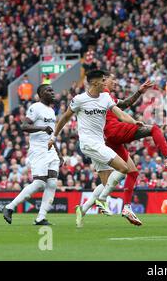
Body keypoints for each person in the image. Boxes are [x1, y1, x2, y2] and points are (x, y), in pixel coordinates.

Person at [87, 73, 167, 225]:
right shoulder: (103, 93)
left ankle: (126, 207)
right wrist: (133, 121)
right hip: (114, 130)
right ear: (102, 81)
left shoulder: (105, 98)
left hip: (109, 139)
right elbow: (121, 111)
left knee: (132, 172)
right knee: (154, 129)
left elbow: (125, 104)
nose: (114, 81)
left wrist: (140, 92)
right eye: (111, 79)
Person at [48, 70, 141, 228]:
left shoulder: (105, 97)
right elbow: (64, 118)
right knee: (125, 168)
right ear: (95, 83)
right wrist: (53, 137)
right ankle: (103, 199)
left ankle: (82, 209)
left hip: (100, 144)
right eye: (103, 80)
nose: (106, 83)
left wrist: (135, 122)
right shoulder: (80, 100)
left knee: (106, 183)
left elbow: (120, 114)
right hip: (88, 143)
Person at [3, 85, 62, 225]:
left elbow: (51, 135)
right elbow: (24, 126)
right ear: (41, 94)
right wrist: (42, 128)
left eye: (53, 90)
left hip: (50, 149)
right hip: (38, 149)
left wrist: (59, 153)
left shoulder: (51, 111)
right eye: (48, 91)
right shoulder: (35, 107)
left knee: (52, 183)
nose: (52, 93)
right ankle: (10, 207)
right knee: (40, 183)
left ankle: (41, 217)